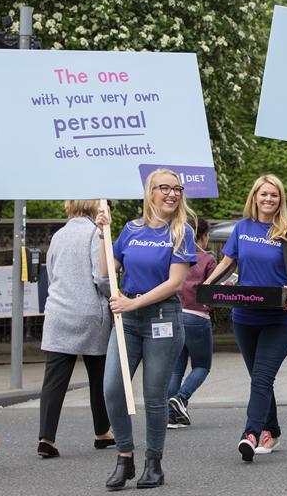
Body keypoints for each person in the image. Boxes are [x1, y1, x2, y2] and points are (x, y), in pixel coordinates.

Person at [96, 169, 196, 490]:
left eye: (176, 189)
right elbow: (106, 271)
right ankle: (124, 457)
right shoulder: (129, 229)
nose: (171, 194)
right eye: (163, 188)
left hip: (162, 318)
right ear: (150, 193)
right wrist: (102, 233)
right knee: (112, 388)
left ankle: (154, 462)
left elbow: (175, 282)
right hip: (127, 321)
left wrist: (132, 304)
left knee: (154, 396)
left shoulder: (182, 232)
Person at [206, 175, 287, 462]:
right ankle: (272, 430)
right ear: (255, 197)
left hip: (280, 317)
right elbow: (227, 263)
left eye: (274, 195)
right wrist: (207, 290)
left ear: (280, 200)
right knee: (259, 378)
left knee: (262, 377)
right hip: (245, 316)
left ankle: (250, 434)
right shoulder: (242, 227)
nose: (268, 199)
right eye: (263, 194)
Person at [36, 199, 115, 458]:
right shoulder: (96, 233)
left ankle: (46, 437)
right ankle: (102, 432)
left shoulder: (58, 235)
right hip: (89, 312)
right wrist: (115, 293)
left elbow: (51, 274)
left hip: (58, 312)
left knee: (54, 379)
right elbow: (102, 276)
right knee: (98, 375)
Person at [167, 217, 217, 429]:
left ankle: (171, 415)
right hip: (197, 317)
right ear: (204, 237)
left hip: (175, 314)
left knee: (176, 367)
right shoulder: (207, 259)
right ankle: (181, 398)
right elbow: (213, 290)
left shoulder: (175, 255)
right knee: (202, 365)